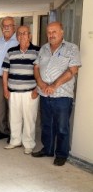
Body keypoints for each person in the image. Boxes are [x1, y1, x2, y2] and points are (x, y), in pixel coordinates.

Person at [32, 21, 82, 166]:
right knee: (46, 124)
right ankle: (47, 149)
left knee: (61, 126)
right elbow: (36, 67)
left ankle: (61, 154)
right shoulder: (44, 48)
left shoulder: (72, 48)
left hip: (62, 95)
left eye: (54, 31)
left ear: (62, 32)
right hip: (44, 94)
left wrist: (54, 85)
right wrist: (40, 83)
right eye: (49, 32)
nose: (51, 35)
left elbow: (73, 70)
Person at [2, 26, 40, 154]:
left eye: (24, 33)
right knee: (14, 117)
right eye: (19, 34)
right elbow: (5, 72)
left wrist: (37, 89)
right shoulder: (11, 51)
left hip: (30, 92)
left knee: (29, 119)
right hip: (13, 91)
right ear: (17, 36)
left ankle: (29, 143)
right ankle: (15, 140)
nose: (22, 36)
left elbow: (42, 73)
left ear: (29, 35)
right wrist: (5, 89)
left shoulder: (37, 51)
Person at [0, 16, 18, 141]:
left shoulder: (18, 41)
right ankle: (2, 130)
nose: (6, 28)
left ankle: (14, 133)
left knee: (12, 106)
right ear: (1, 28)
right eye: (4, 26)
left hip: (13, 79)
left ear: (14, 27)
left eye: (9, 25)